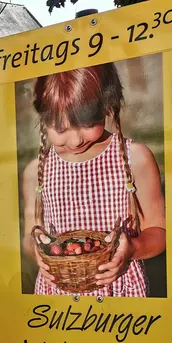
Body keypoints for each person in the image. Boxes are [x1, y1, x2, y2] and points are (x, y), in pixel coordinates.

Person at [22, 63, 165, 297]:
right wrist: (35, 249)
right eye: (59, 128)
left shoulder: (134, 158)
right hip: (57, 298)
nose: (76, 139)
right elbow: (29, 236)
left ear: (107, 107)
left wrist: (133, 249)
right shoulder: (36, 171)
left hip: (121, 294)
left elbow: (159, 232)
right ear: (43, 119)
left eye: (88, 124)